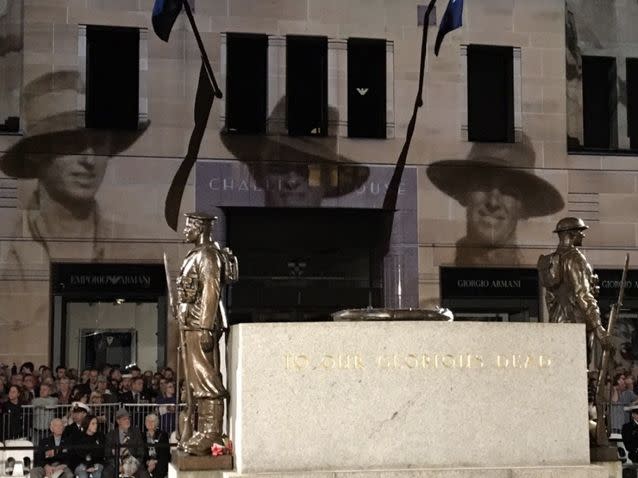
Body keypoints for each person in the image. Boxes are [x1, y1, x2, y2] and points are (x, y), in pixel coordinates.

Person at [427, 135, 564, 266]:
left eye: (508, 190)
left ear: (523, 208)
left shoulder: (543, 282)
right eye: (483, 185)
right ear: (465, 194)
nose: (493, 202)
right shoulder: (435, 274)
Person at [175, 212, 237, 454]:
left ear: (200, 227)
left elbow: (211, 291)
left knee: (206, 378)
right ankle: (200, 430)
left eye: (189, 225)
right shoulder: (196, 254)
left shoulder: (208, 255)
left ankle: (210, 432)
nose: (185, 230)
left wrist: (204, 327)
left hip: (201, 324)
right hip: (191, 323)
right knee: (195, 379)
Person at [538, 217, 613, 363]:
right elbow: (584, 295)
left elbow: (550, 297)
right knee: (580, 369)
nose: (583, 235)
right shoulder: (576, 259)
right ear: (571, 234)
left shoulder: (549, 261)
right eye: (580, 231)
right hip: (577, 325)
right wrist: (598, 327)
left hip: (556, 323)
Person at [103, 408, 149, 478]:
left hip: (133, 464)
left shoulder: (136, 433)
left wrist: (133, 466)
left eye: (128, 418)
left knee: (144, 474)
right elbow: (108, 454)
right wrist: (118, 466)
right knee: (106, 473)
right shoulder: (111, 435)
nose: (127, 421)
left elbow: (141, 452)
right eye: (124, 419)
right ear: (118, 421)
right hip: (117, 464)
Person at [143, 414, 169, 478]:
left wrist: (154, 462)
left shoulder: (163, 435)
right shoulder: (142, 436)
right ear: (145, 423)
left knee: (160, 467)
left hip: (159, 462)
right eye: (148, 421)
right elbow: (141, 452)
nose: (150, 423)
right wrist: (147, 462)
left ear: (156, 423)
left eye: (152, 421)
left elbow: (164, 453)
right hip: (146, 462)